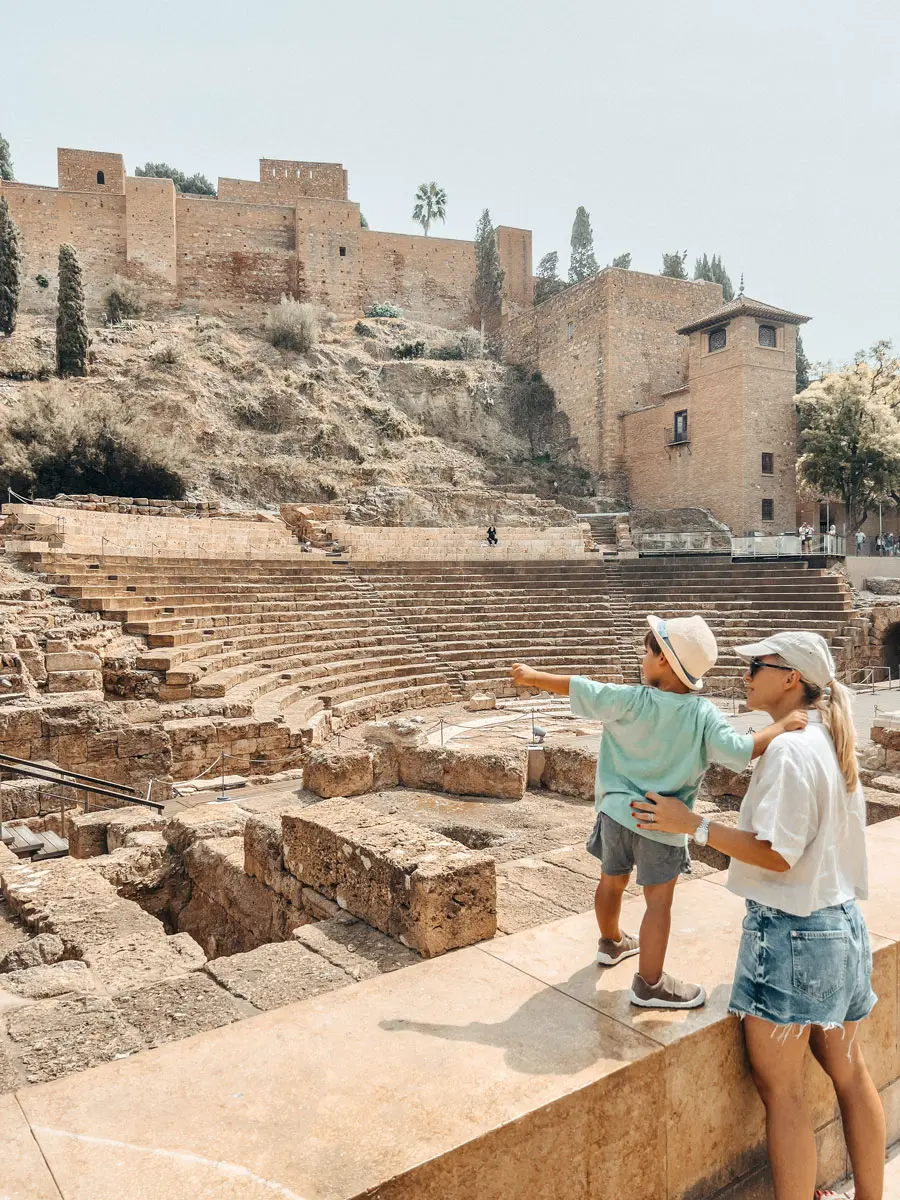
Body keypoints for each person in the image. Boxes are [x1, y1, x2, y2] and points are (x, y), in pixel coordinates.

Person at [632, 632, 882, 1200]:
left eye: (756, 666)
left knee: (783, 1092)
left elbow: (777, 850)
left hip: (794, 934)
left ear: (791, 677)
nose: (744, 675)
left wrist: (688, 822)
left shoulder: (791, 750)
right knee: (851, 1075)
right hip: (842, 926)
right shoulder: (828, 737)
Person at [510, 615, 806, 1009]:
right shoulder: (703, 715)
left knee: (610, 882)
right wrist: (781, 726)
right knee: (658, 904)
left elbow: (577, 686)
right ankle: (649, 983)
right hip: (661, 823)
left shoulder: (628, 699)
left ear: (664, 660)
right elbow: (739, 752)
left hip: (615, 813)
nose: (642, 657)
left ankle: (611, 942)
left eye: (647, 651)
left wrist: (532, 676)